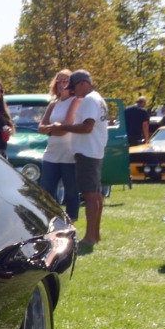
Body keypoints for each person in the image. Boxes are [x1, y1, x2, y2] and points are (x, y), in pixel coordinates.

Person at [63, 69, 109, 251]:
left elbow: (87, 127)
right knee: (96, 195)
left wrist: (64, 127)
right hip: (94, 151)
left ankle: (89, 237)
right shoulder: (98, 99)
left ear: (83, 83)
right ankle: (95, 235)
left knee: (90, 196)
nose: (73, 92)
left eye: (74, 88)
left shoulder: (90, 100)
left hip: (87, 152)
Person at [36, 69, 80, 221]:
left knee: (71, 192)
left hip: (69, 153)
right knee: (46, 190)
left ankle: (71, 219)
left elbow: (67, 125)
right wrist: (53, 127)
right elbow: (41, 128)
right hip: (52, 153)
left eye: (65, 81)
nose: (62, 84)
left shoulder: (75, 101)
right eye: (59, 81)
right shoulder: (53, 104)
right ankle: (50, 218)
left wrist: (52, 128)